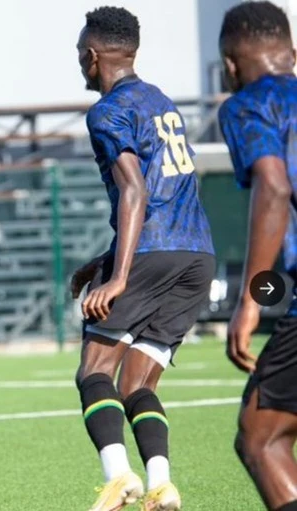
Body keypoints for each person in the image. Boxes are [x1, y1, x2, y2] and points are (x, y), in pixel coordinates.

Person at [70, 6, 216, 511]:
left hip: (150, 254)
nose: (79, 64)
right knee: (137, 384)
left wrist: (119, 278)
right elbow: (165, 193)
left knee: (93, 372)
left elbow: (134, 192)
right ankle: (162, 485)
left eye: (78, 55)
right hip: (196, 256)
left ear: (93, 56)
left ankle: (119, 479)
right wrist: (102, 262)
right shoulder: (161, 102)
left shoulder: (108, 110)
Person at [216, 2, 297, 510]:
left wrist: (251, 300)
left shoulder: (248, 104)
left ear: (229, 65)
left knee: (261, 437)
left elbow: (273, 185)